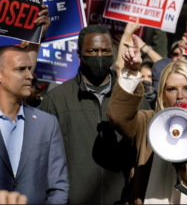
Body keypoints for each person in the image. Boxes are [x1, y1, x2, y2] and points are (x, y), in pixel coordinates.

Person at [107, 35, 187, 204]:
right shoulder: (148, 122)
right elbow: (118, 118)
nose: (180, 96)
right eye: (171, 89)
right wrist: (132, 72)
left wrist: (186, 157)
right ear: (162, 94)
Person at [40, 25, 151, 204]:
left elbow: (146, 148)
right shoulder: (56, 100)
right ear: (79, 54)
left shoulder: (131, 96)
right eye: (92, 51)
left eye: (105, 50)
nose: (99, 56)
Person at [0, 45, 68, 204]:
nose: (30, 76)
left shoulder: (47, 123)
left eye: (30, 69)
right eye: (21, 69)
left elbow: (58, 186)